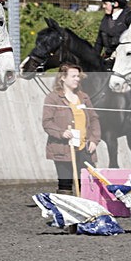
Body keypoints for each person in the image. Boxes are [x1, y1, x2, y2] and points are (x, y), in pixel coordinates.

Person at [42, 64, 101, 195]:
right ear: (63, 78)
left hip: (84, 148)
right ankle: (66, 212)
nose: (77, 79)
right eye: (73, 76)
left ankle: (87, 212)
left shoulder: (84, 97)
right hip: (63, 149)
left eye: (78, 76)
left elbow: (94, 119)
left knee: (87, 185)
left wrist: (94, 140)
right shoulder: (53, 98)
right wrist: (61, 133)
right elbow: (47, 122)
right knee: (65, 186)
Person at [94, 0, 131, 67]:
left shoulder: (130, 17)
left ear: (115, 4)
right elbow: (99, 43)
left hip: (125, 62)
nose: (103, 6)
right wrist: (93, 59)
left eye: (105, 3)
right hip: (108, 60)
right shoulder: (106, 18)